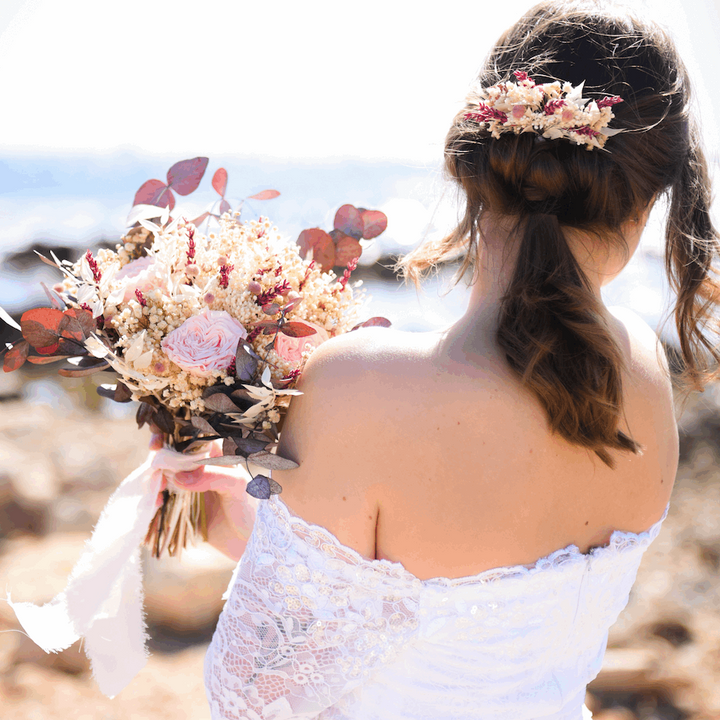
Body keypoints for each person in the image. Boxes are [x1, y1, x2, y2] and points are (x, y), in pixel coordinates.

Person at [151, 1, 719, 717]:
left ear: (476, 170)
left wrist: (268, 547)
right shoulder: (642, 374)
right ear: (643, 209)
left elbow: (254, 697)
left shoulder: (360, 387)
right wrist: (276, 542)